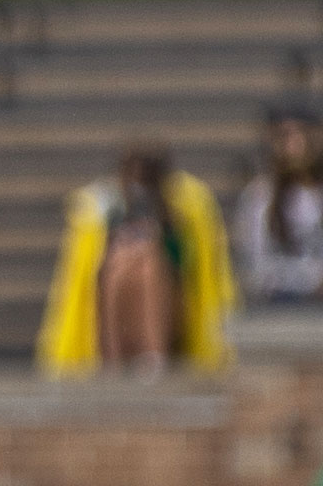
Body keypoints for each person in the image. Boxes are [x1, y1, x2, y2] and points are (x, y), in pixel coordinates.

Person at [41, 143, 233, 378]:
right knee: (120, 267)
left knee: (148, 266)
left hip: (168, 290)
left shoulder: (181, 208)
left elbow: (188, 263)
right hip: (114, 286)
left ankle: (152, 350)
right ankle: (115, 355)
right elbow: (88, 268)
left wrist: (156, 238)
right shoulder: (104, 211)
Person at [235, 107, 323, 308]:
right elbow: (256, 267)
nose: (293, 145)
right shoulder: (260, 197)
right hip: (280, 307)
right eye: (284, 136)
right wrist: (310, 280)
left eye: (300, 134)